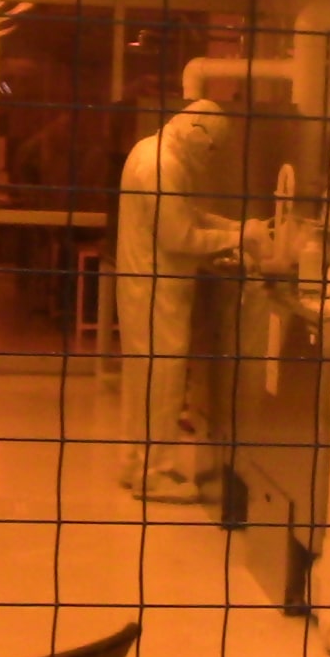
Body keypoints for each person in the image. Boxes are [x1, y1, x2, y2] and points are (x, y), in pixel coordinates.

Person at [116, 99, 268, 501]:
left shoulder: (152, 151)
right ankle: (155, 473)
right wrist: (241, 237)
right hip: (156, 291)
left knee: (144, 381)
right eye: (213, 146)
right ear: (197, 131)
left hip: (142, 287)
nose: (211, 156)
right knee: (162, 381)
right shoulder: (163, 166)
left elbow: (189, 214)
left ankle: (136, 462)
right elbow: (180, 237)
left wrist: (238, 227)